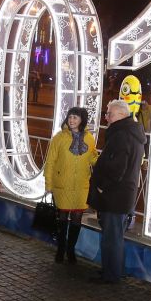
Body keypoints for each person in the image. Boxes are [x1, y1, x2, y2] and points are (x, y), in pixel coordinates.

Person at [88, 99, 145, 284]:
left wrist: (101, 186)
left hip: (114, 196)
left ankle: (111, 275)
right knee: (115, 237)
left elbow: (117, 168)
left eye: (109, 113)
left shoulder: (122, 135)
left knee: (111, 238)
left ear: (120, 115)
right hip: (123, 195)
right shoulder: (131, 132)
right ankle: (114, 271)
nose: (106, 117)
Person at [44, 106, 97, 263]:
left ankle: (71, 249)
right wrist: (49, 184)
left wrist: (107, 159)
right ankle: (60, 249)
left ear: (82, 120)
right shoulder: (59, 138)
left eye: (75, 117)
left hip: (81, 185)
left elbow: (93, 158)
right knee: (62, 217)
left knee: (77, 218)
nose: (72, 120)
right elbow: (50, 162)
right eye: (70, 117)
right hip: (62, 184)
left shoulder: (89, 139)